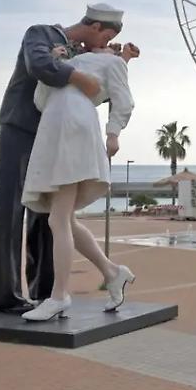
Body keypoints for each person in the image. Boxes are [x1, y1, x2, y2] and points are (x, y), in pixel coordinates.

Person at [0, 4, 128, 314]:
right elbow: (41, 66)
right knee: (10, 211)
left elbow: (94, 95)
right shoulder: (42, 33)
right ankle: (6, 293)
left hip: (57, 135)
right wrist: (80, 75)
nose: (105, 46)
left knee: (50, 220)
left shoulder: (84, 54)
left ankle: (46, 290)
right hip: (21, 129)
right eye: (105, 39)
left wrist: (113, 63)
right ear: (97, 29)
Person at [20, 45, 140, 322]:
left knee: (58, 220)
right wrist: (52, 64)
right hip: (55, 131)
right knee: (63, 219)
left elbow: (123, 99)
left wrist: (113, 133)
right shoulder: (70, 63)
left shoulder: (110, 63)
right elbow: (41, 100)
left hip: (74, 132)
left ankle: (59, 295)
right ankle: (112, 273)